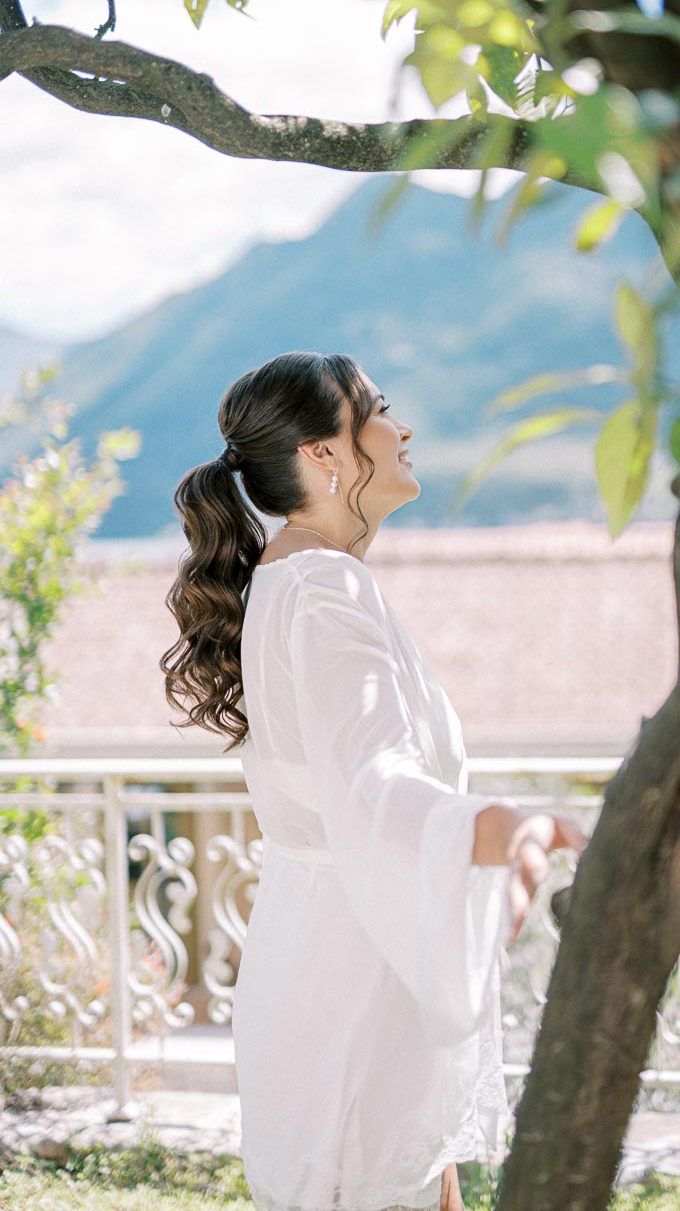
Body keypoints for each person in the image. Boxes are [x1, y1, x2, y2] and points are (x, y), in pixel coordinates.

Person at [160, 350, 588, 1211]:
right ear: (324, 453)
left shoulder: (302, 579)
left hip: (354, 961)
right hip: (350, 990)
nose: (404, 428)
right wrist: (505, 828)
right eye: (380, 409)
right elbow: (376, 781)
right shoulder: (322, 591)